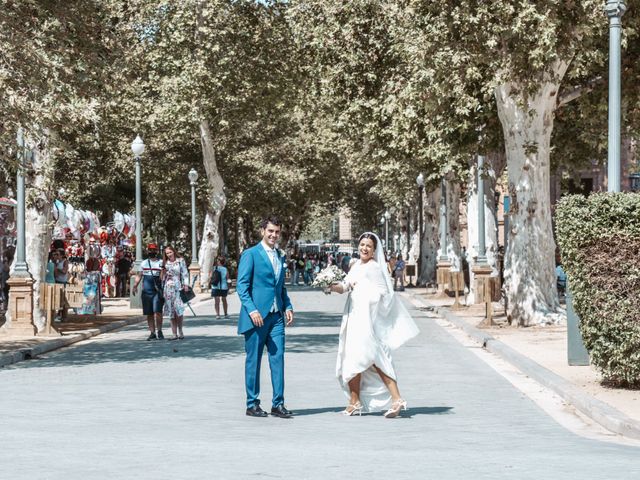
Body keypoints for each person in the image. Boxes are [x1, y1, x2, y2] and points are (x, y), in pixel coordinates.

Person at [329, 232, 419, 418]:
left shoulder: (374, 267)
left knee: (374, 357)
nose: (364, 248)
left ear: (374, 250)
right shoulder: (355, 265)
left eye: (369, 246)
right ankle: (354, 401)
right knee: (352, 357)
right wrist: (329, 284)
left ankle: (397, 398)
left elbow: (384, 294)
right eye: (362, 244)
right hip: (353, 317)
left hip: (367, 319)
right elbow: (345, 286)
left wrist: (365, 298)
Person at [236, 215, 294, 419]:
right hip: (256, 318)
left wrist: (287, 305)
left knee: (278, 359)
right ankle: (252, 403)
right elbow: (241, 286)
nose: (274, 235)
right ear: (263, 231)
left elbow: (280, 286)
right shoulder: (250, 254)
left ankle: (278, 404)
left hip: (276, 316)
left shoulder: (280, 255)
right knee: (253, 360)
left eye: (277, 232)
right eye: (270, 231)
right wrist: (252, 310)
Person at [132, 243, 164, 341]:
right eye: (150, 250)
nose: (152, 252)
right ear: (147, 251)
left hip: (157, 291)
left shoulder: (161, 262)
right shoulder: (144, 263)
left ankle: (159, 331)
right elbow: (139, 275)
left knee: (157, 311)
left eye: (154, 250)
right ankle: (152, 332)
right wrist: (135, 286)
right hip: (146, 291)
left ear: (157, 251)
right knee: (149, 313)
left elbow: (163, 277)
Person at [162, 246, 189, 340]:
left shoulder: (180, 261)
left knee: (179, 310)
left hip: (178, 287)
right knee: (171, 311)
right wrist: (164, 273)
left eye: (170, 252)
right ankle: (174, 333)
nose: (169, 254)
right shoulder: (165, 263)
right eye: (167, 253)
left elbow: (185, 273)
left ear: (173, 251)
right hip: (168, 288)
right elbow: (161, 278)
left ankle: (180, 330)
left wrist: (186, 285)